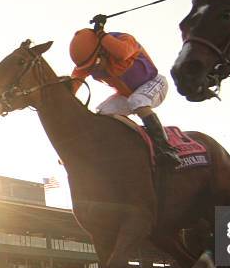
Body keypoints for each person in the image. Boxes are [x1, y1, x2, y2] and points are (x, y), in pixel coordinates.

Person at [69, 23, 181, 166]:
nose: (94, 68)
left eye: (95, 62)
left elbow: (123, 52)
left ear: (103, 49)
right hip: (127, 95)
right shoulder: (89, 62)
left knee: (137, 101)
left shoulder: (125, 41)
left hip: (155, 83)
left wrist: (101, 33)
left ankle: (166, 149)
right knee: (102, 113)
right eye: (89, 67)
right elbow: (73, 85)